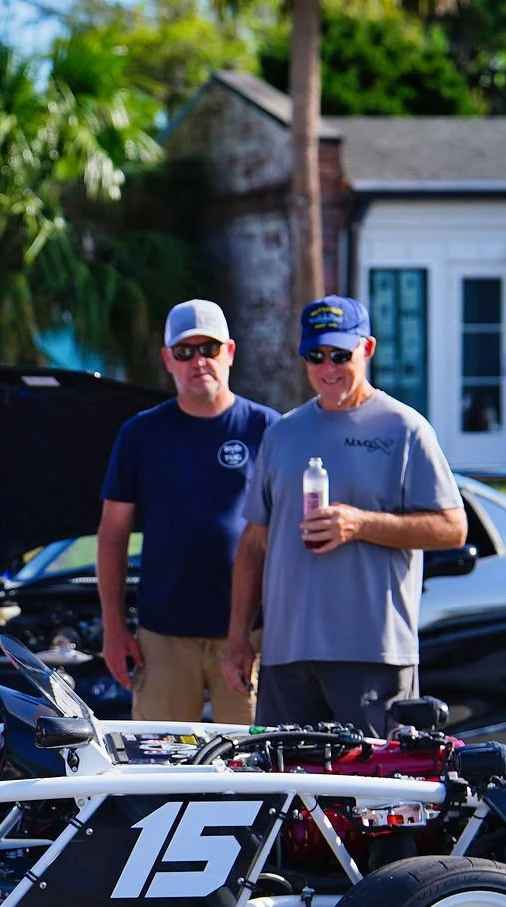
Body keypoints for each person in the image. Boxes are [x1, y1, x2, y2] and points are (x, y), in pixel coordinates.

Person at [223, 295, 466, 735]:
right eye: (315, 356)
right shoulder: (283, 433)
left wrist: (361, 524)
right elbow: (254, 543)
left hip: (373, 656)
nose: (328, 368)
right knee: (282, 780)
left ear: (367, 349)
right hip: (287, 656)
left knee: (377, 779)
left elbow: (452, 528)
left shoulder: (404, 428)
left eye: (340, 355)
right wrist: (239, 637)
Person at [97, 300, 281, 723]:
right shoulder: (140, 434)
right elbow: (113, 534)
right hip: (162, 639)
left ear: (230, 352)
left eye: (209, 349)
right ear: (168, 360)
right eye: (185, 351)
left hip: (251, 635)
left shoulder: (269, 429)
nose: (198, 361)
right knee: (159, 758)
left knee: (253, 759)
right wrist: (114, 627)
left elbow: (290, 533)